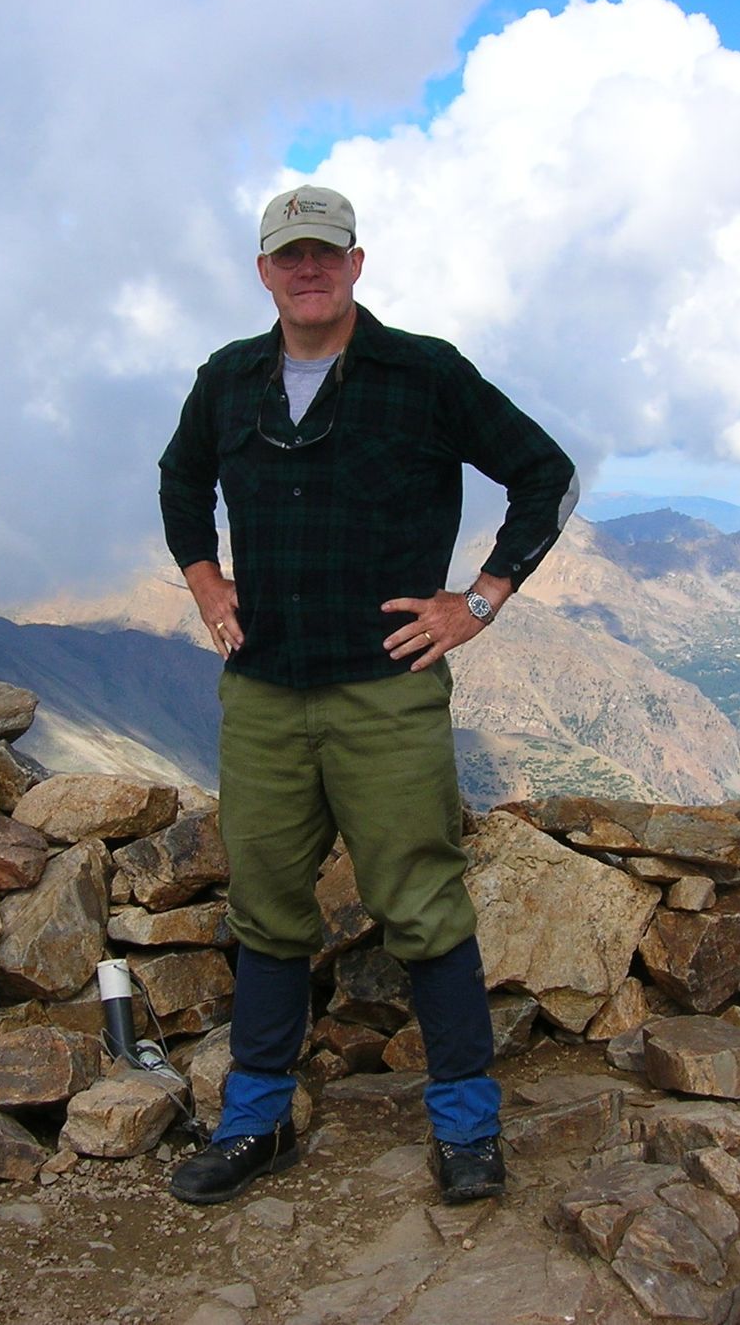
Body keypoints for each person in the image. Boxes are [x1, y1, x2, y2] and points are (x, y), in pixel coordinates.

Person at [157, 185, 578, 1206]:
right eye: (290, 256)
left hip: (385, 691)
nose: (309, 271)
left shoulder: (422, 373)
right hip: (263, 692)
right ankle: (257, 1125)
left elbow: (546, 475)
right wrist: (207, 582)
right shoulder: (229, 380)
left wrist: (476, 601)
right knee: (265, 907)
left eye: (326, 254)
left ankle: (467, 1127)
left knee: (423, 905)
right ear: (264, 271)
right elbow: (180, 482)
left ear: (355, 263)